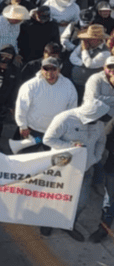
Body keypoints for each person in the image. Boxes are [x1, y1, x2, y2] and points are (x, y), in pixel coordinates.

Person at [41, 100, 109, 241]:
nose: (100, 122)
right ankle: (47, 222)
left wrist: (96, 157)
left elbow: (101, 141)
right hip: (63, 169)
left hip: (85, 169)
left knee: (81, 202)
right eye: (97, 119)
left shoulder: (99, 123)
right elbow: (48, 139)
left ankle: (67, 224)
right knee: (56, 198)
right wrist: (70, 146)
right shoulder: (64, 118)